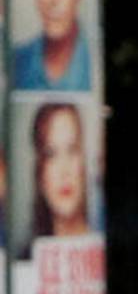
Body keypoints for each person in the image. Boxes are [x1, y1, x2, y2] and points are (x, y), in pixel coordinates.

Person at [28, 101, 88, 242]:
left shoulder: (104, 241)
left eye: (72, 149)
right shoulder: (26, 255)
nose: (64, 170)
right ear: (40, 173)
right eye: (51, 154)